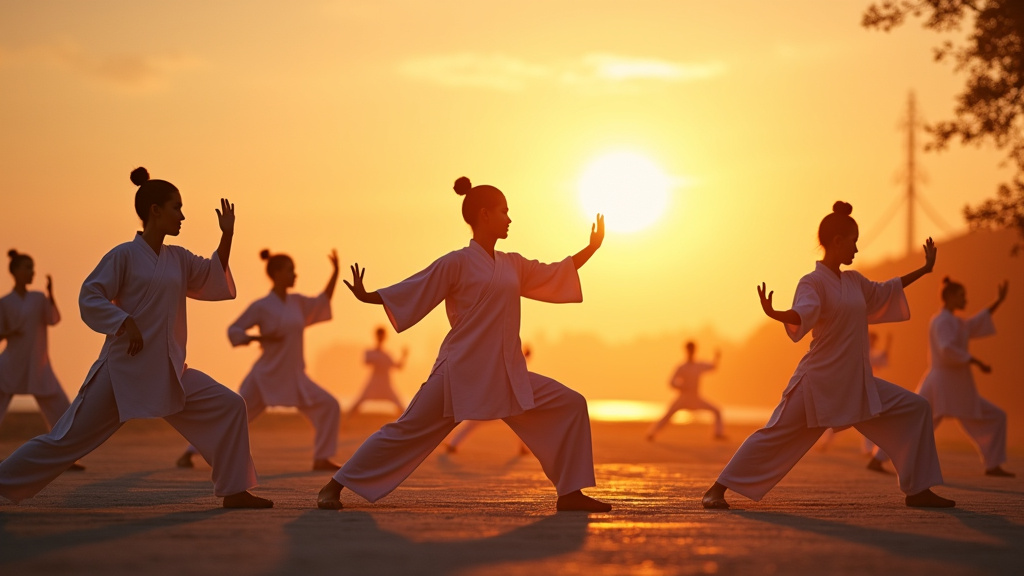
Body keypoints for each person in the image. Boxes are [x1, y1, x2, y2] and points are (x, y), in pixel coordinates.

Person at [316, 176, 610, 512]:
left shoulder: (512, 264)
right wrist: (371, 296)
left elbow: (554, 272)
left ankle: (570, 493)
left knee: (570, 404)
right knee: (406, 430)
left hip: (506, 376)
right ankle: (334, 485)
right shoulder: (456, 262)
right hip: (459, 374)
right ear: (484, 214)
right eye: (504, 211)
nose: (510, 219)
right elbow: (417, 287)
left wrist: (591, 248)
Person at [0, 167, 271, 508]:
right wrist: (124, 321)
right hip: (122, 374)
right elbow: (90, 296)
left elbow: (212, 276)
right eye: (176, 208)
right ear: (155, 211)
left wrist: (226, 235)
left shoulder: (178, 258)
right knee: (64, 441)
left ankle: (234, 491)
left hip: (169, 373)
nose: (182, 216)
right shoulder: (123, 256)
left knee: (230, 405)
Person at [702, 201, 954, 509]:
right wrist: (777, 313)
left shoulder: (854, 281)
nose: (857, 249)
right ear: (837, 241)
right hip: (818, 384)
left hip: (857, 385)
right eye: (853, 241)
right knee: (775, 434)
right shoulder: (812, 282)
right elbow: (803, 313)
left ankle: (918, 490)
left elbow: (887, 290)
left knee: (916, 408)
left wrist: (924, 270)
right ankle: (716, 489)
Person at [176, 248, 342, 471]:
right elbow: (234, 329)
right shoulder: (262, 306)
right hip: (265, 376)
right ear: (277, 274)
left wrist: (335, 272)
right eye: (290, 270)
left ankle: (322, 458)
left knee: (329, 405)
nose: (295, 275)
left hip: (295, 376)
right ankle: (189, 452)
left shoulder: (298, 303)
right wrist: (256, 337)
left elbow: (322, 301)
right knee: (233, 414)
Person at [869, 278, 1013, 477]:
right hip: (939, 385)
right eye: (961, 296)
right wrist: (975, 361)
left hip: (957, 386)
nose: (965, 300)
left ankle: (993, 464)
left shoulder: (955, 321)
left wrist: (997, 302)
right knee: (912, 421)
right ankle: (877, 458)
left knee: (995, 417)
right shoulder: (941, 321)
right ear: (950, 297)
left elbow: (974, 324)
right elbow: (947, 349)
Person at [0, 251, 83, 471]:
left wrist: (51, 295)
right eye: (27, 267)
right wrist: (9, 332)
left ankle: (67, 457)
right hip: (10, 365)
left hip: (38, 365)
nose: (32, 272)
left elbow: (53, 319)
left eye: (32, 268)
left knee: (62, 411)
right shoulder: (5, 303)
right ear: (14, 271)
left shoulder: (38, 298)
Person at [444, 344, 533, 455]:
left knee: (519, 423)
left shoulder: (510, 363)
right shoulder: (510, 364)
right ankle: (453, 444)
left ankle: (453, 444)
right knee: (474, 422)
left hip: (498, 402)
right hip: (497, 403)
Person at [817, 331, 892, 457]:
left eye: (873, 340)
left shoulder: (870, 353)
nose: (871, 342)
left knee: (869, 419)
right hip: (851, 390)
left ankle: (868, 449)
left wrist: (889, 344)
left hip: (865, 391)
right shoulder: (857, 350)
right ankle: (825, 442)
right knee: (839, 417)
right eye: (870, 339)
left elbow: (882, 359)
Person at [646, 341, 723, 441]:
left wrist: (717, 357)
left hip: (696, 398)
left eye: (692, 349)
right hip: (683, 398)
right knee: (668, 414)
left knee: (717, 411)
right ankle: (652, 433)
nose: (691, 351)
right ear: (686, 350)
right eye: (689, 349)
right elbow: (671, 382)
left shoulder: (698, 365)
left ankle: (718, 433)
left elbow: (713, 367)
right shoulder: (682, 367)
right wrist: (680, 387)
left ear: (695, 350)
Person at [349, 326, 407, 415]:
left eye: (382, 336)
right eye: (379, 335)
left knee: (399, 404)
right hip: (374, 382)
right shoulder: (371, 352)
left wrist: (404, 356)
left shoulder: (386, 355)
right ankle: (348, 417)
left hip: (386, 384)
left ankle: (405, 416)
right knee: (359, 400)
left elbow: (398, 367)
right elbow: (366, 361)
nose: (381, 338)